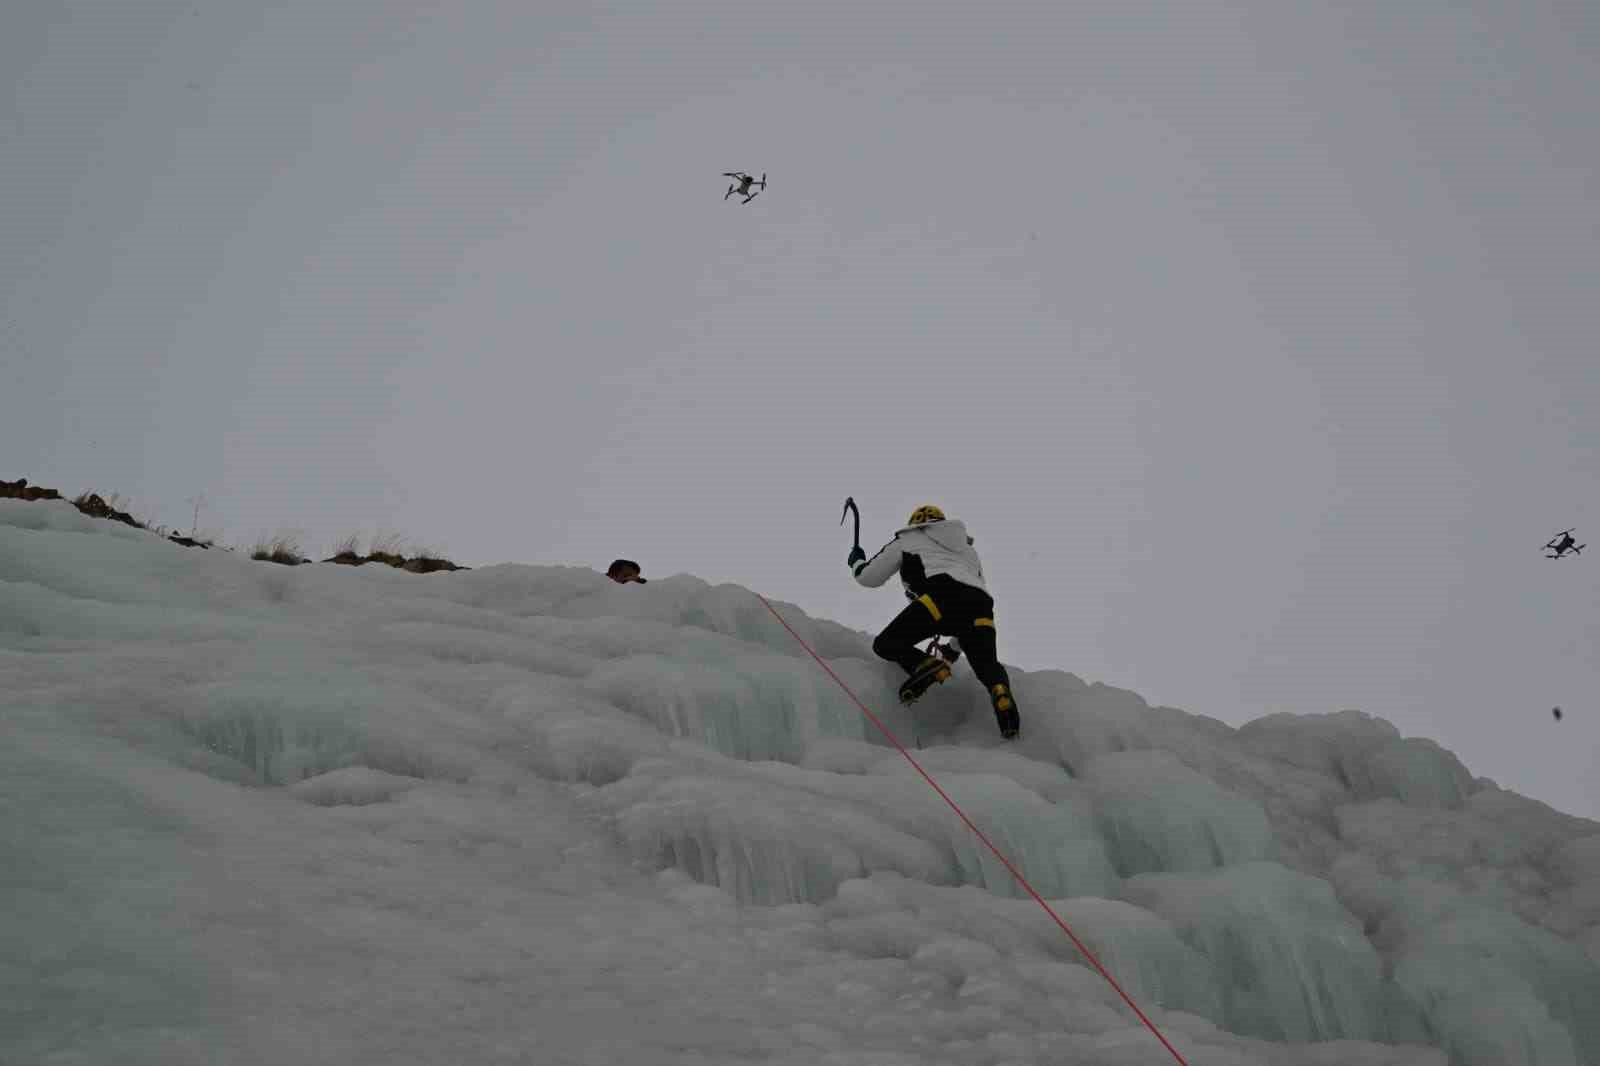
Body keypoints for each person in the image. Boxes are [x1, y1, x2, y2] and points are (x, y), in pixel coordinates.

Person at [849, 505, 1020, 739]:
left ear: (915, 524)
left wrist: (856, 562)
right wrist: (952, 649)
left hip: (941, 597)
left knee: (887, 644)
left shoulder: (907, 539)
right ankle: (1001, 694)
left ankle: (925, 665)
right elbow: (967, 602)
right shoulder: (966, 550)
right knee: (987, 665)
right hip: (981, 605)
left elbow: (869, 577)